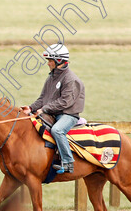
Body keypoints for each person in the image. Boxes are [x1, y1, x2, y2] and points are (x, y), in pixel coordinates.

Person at [21, 43, 85, 174]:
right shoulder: (51, 77)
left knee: (57, 130)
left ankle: (68, 162)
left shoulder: (71, 79)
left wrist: (44, 109)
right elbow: (43, 98)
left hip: (68, 115)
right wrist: (31, 108)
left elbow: (65, 102)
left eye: (50, 60)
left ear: (59, 61)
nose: (48, 63)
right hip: (53, 113)